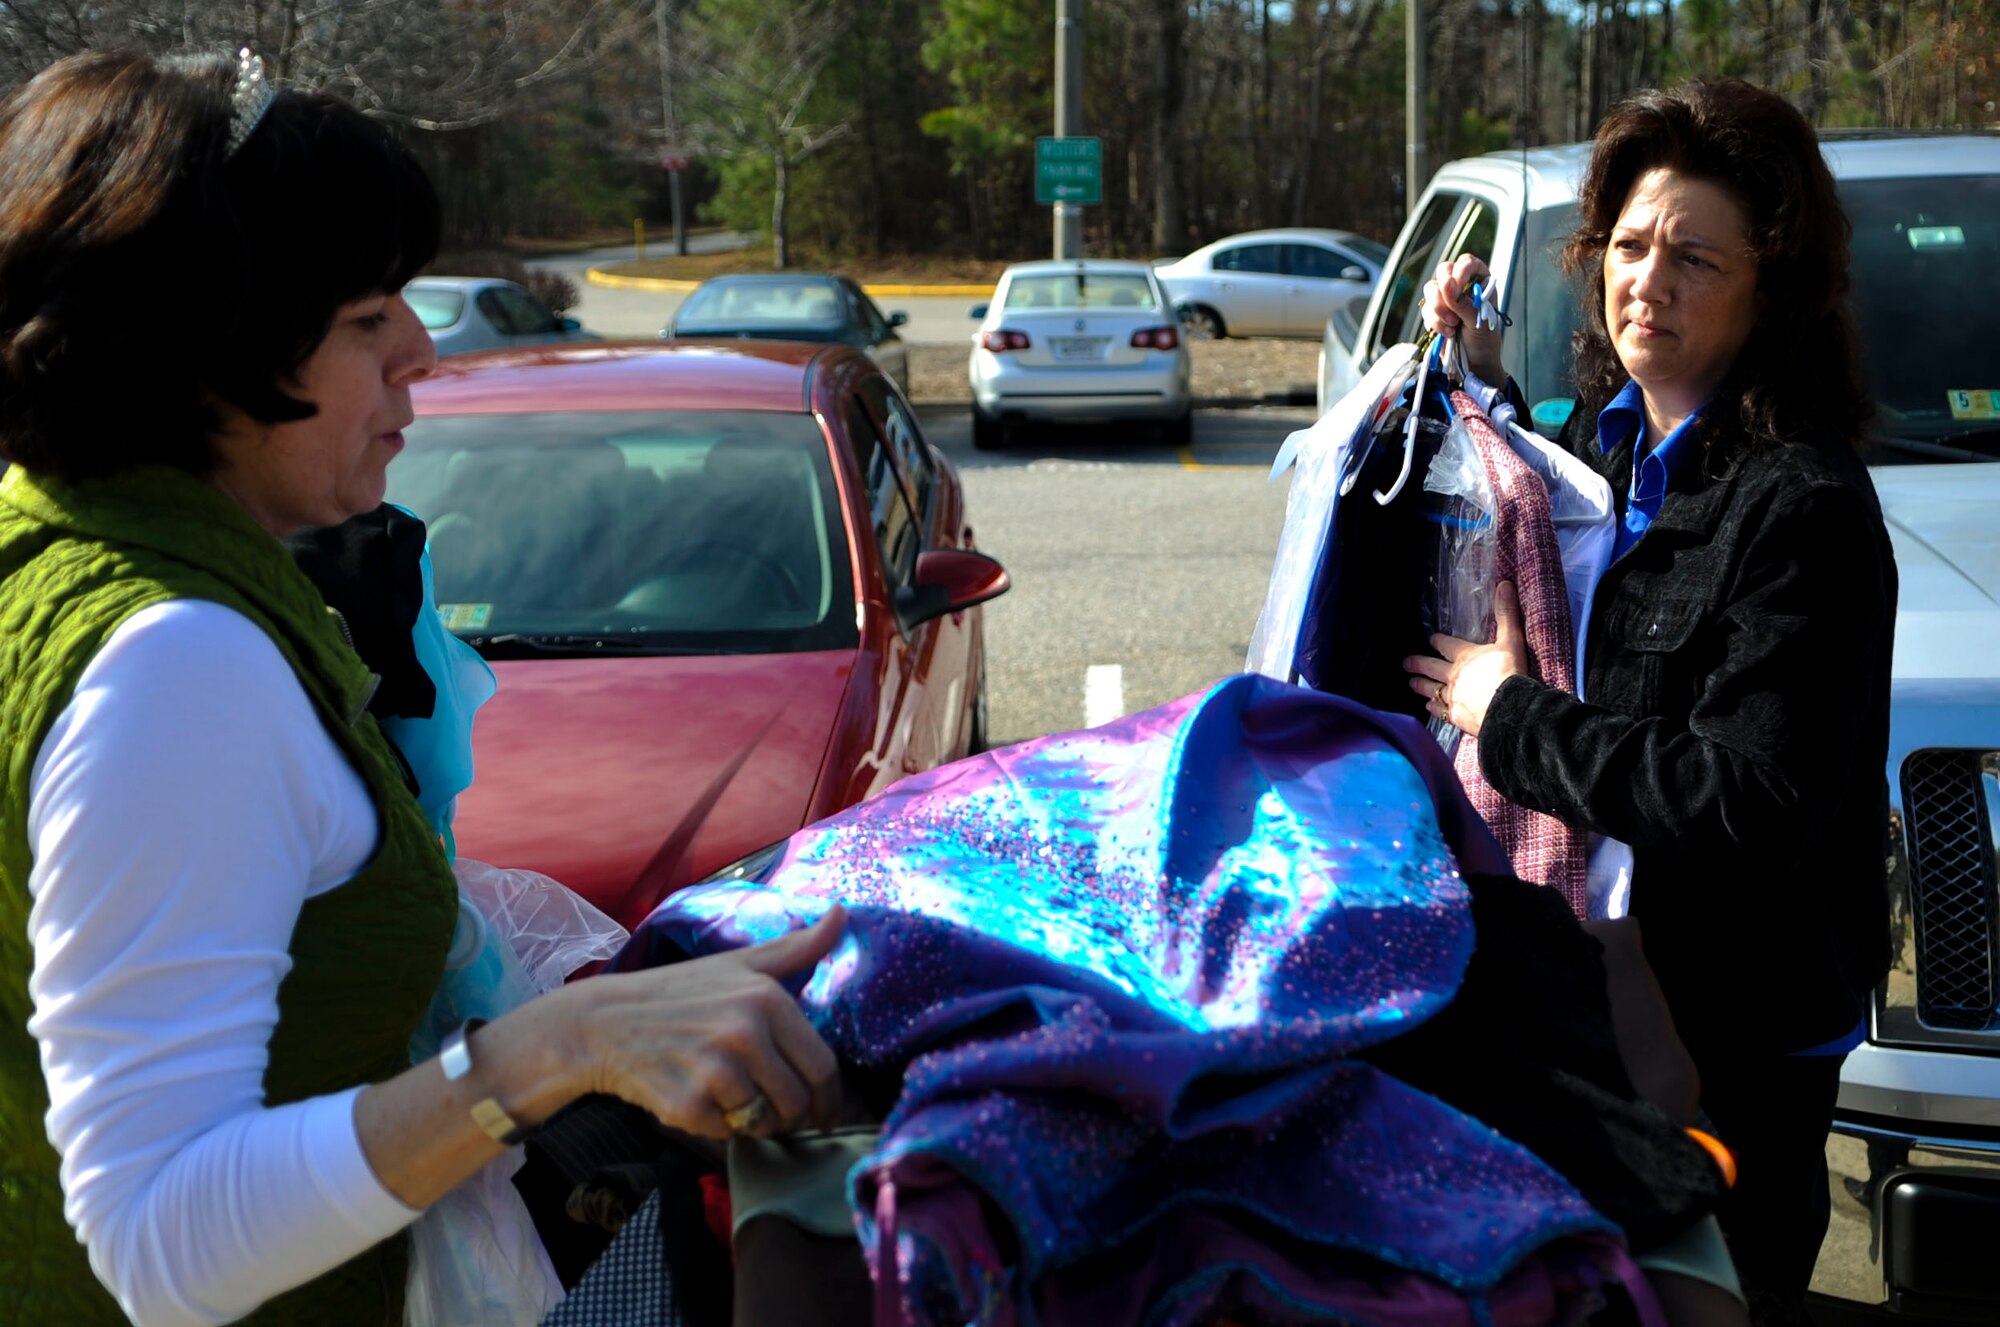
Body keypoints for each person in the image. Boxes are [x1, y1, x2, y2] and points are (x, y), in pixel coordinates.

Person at [0, 49, 844, 1327]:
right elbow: (160, 1233)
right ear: (200, 357)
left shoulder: (59, 542)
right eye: (362, 318)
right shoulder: (178, 663)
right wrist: (557, 1053)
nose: (423, 348)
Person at [1404, 79, 1896, 1325]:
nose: (1647, 283)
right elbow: (1554, 548)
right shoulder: (1604, 442)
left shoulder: (1800, 508)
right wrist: (1474, 379)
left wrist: (1500, 714)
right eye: (1627, 247)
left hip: (1732, 1042)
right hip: (1583, 1007)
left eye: (1692, 258)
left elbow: (1750, 799)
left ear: (1768, 288)